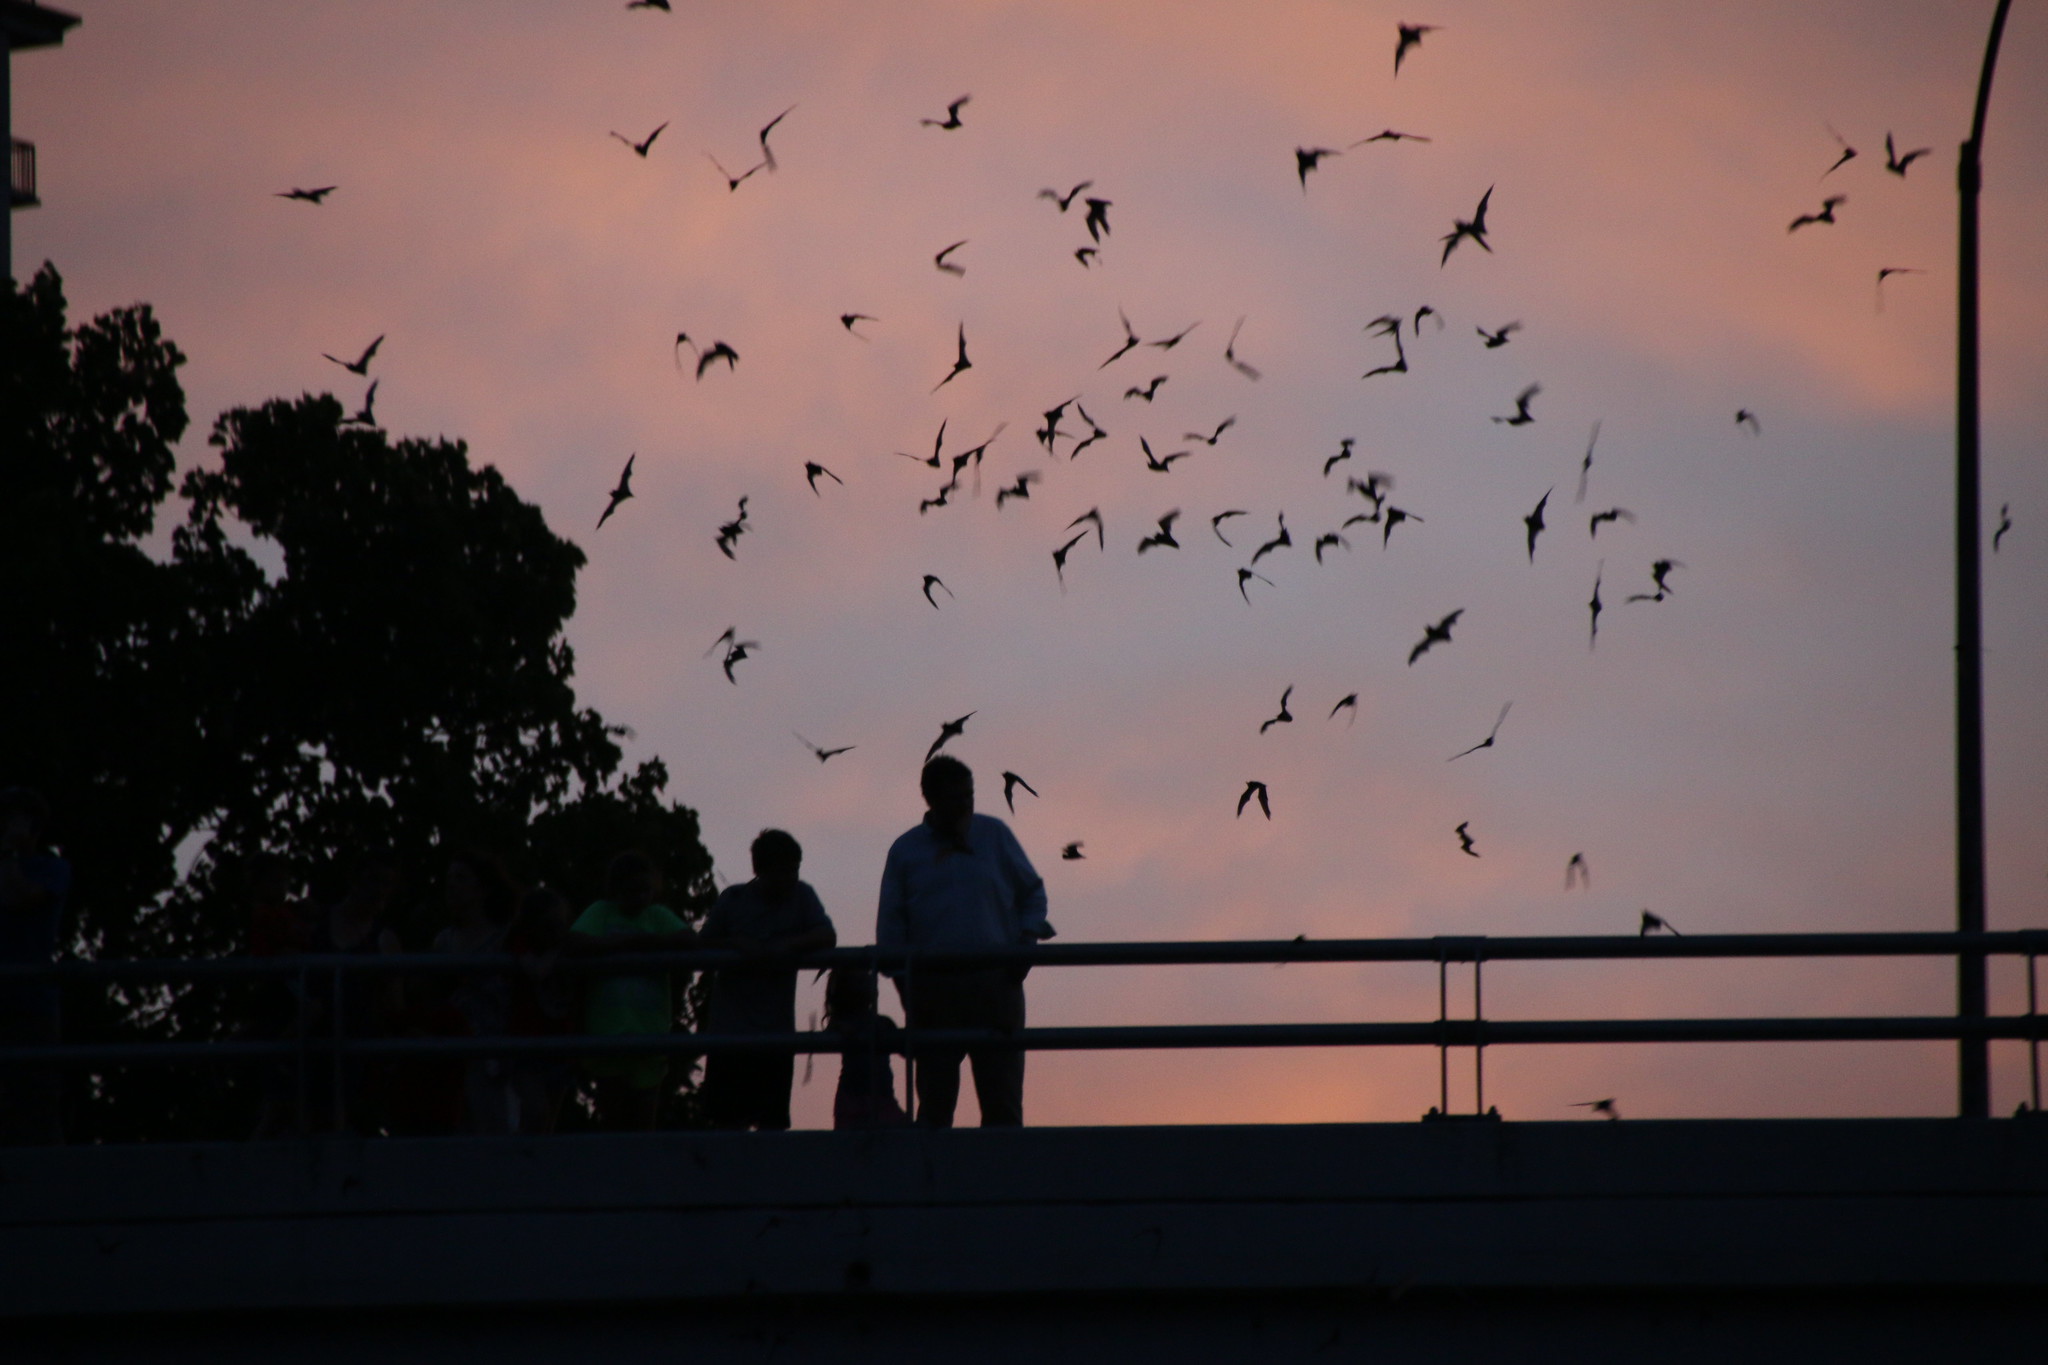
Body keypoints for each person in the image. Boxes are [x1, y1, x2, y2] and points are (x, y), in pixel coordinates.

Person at [876, 756, 1052, 1127]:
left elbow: (1033, 895)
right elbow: (891, 930)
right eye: (956, 797)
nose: (966, 805)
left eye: (969, 795)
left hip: (997, 984)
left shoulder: (995, 834)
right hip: (933, 990)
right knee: (936, 1107)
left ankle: (1002, 1182)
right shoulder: (906, 851)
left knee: (1002, 1104)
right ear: (931, 799)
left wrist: (1025, 945)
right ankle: (934, 1181)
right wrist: (908, 991)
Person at [697, 829, 836, 1131]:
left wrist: (785, 946)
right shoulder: (733, 900)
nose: (789, 878)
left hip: (776, 1035)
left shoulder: (802, 896)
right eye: (783, 871)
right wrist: (736, 944)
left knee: (772, 1128)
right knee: (725, 1126)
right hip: (729, 1035)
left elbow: (827, 935)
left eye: (794, 870)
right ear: (760, 870)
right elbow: (701, 946)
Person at [568, 850, 694, 1131]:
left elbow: (688, 940)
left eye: (645, 890)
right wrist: (620, 946)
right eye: (632, 889)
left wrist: (646, 941)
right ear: (616, 889)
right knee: (613, 1125)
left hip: (650, 1038)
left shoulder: (657, 915)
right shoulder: (602, 912)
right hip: (607, 1037)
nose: (639, 897)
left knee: (643, 1126)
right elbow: (575, 941)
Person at [301, 852, 404, 1134]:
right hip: (314, 1048)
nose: (378, 891)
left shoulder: (385, 939)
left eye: (386, 884)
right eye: (373, 881)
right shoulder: (316, 926)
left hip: (361, 1056)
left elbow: (396, 1006)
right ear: (355, 881)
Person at [427, 849, 518, 1134]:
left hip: (495, 1057)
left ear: (483, 888)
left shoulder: (505, 938)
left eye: (461, 878)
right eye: (449, 879)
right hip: (452, 1057)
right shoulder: (443, 941)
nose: (452, 886)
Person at [0, 787, 70, 1144]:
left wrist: (11, 852)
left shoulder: (52, 869)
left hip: (32, 1001)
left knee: (37, 1096)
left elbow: (19, 897)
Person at [505, 885, 578, 1135]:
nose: (557, 931)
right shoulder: (521, 942)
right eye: (550, 925)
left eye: (561, 924)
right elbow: (536, 971)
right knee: (536, 1114)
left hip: (560, 1048)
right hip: (527, 1048)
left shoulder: (568, 946)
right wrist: (557, 953)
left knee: (547, 1125)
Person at [825, 966, 908, 1130]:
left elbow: (906, 1050)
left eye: (868, 979)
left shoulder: (883, 1023)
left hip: (883, 1098)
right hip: (852, 1099)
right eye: (860, 980)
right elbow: (832, 1029)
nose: (870, 982)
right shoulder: (842, 1023)